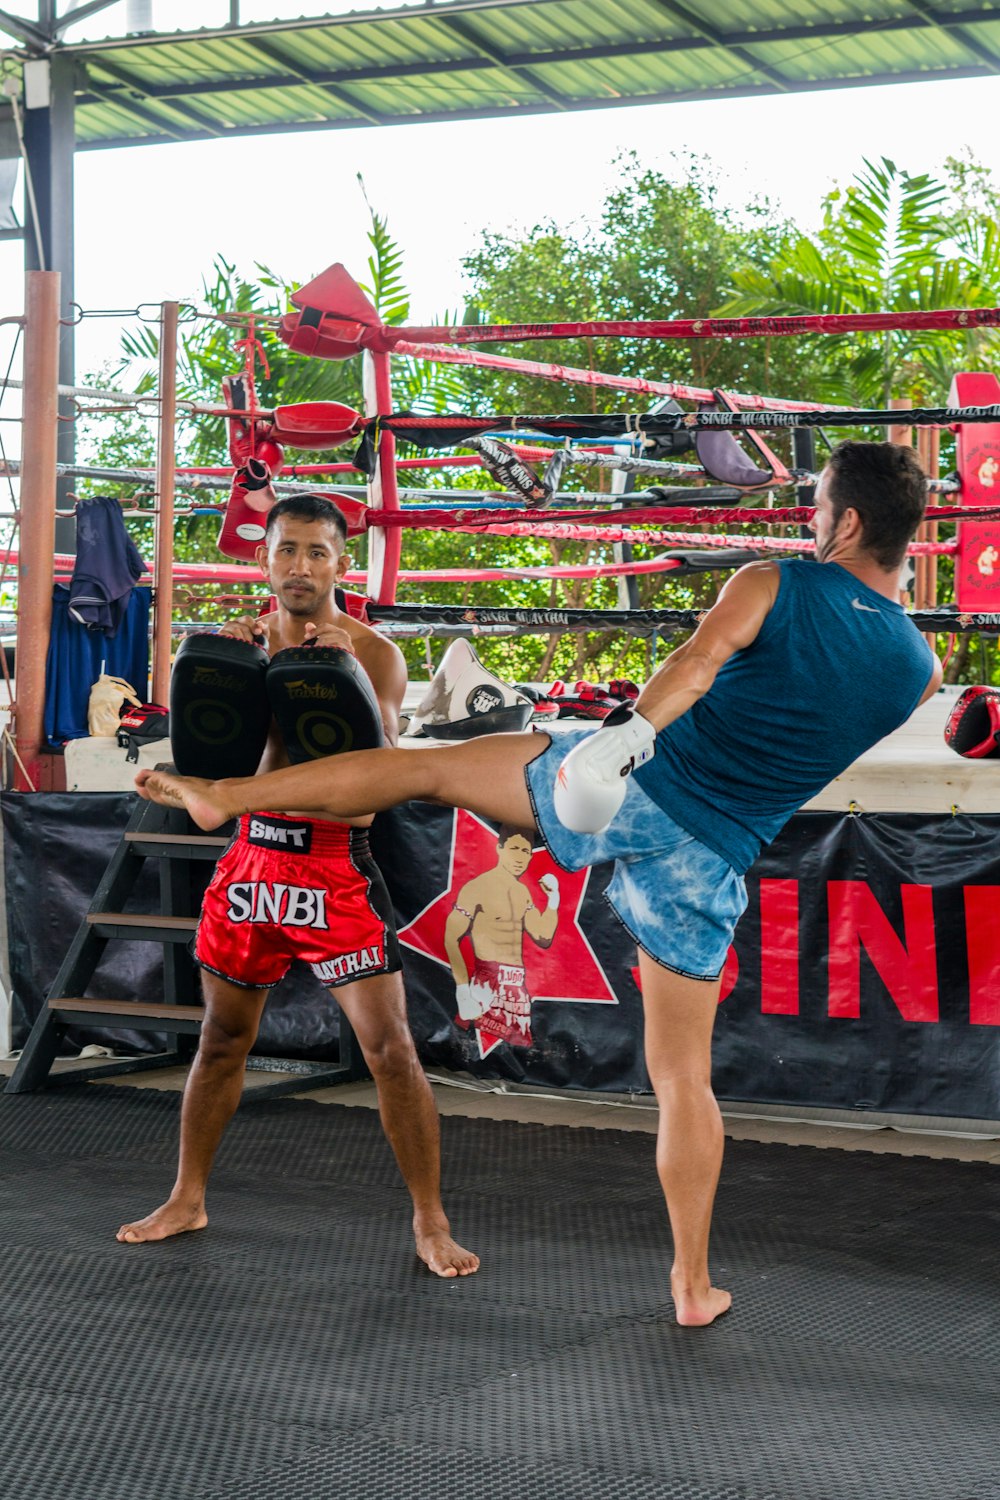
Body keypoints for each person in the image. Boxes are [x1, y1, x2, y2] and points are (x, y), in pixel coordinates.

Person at [135, 440, 942, 1325]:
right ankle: (692, 1285)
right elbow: (800, 731)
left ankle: (225, 799)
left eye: (819, 504)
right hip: (710, 858)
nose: (810, 519)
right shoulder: (918, 670)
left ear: (850, 520)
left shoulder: (773, 583)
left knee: (423, 772)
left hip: (637, 784)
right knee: (681, 1077)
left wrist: (617, 739)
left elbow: (696, 667)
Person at [118, 492, 478, 1279]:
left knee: (389, 1050)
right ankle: (187, 1196)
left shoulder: (376, 653)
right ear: (265, 559)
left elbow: (380, 770)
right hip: (249, 864)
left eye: (319, 552)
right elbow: (216, 769)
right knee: (220, 1042)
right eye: (288, 550)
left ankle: (430, 1219)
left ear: (342, 564)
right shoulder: (227, 648)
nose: (302, 567)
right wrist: (185, 759)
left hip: (334, 868)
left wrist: (335, 665)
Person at [445, 824, 559, 1048]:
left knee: (521, 1054)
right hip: (486, 983)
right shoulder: (477, 887)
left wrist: (553, 900)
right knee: (478, 1051)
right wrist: (463, 991)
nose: (520, 857)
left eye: (525, 851)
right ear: (499, 848)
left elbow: (543, 935)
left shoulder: (522, 892)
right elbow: (451, 938)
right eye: (514, 848)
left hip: (517, 987)